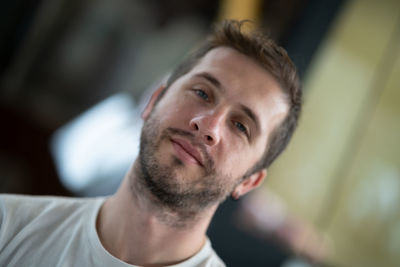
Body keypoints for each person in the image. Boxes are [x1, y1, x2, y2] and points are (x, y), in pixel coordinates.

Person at [0, 20, 301, 267]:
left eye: (240, 126)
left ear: (249, 181)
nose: (207, 125)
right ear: (153, 102)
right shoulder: (9, 227)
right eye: (202, 93)